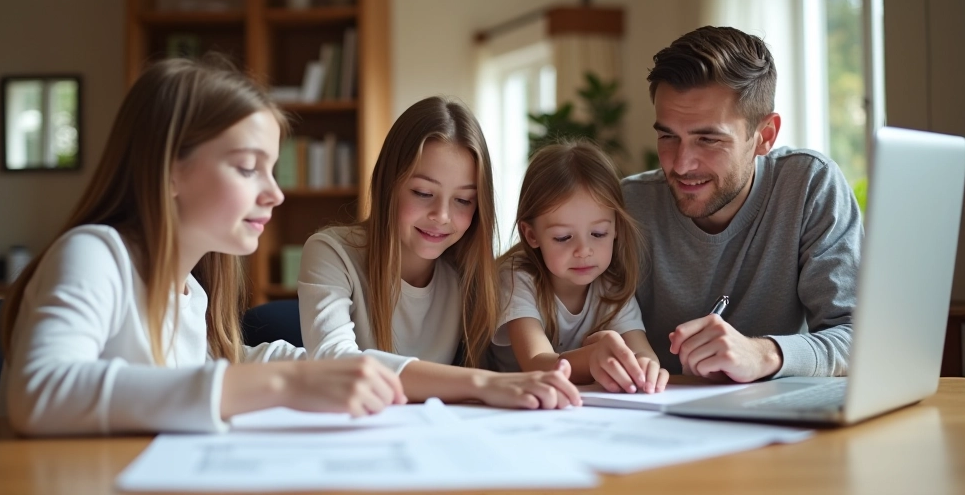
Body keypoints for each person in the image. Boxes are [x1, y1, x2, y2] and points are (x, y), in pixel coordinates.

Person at [0, 57, 405, 436]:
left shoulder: (192, 294)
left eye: (272, 170)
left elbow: (216, 369)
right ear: (169, 172)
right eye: (248, 167)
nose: (275, 194)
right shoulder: (93, 254)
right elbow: (40, 390)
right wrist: (284, 383)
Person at [299, 97, 581, 409]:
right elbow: (335, 363)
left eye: (463, 200)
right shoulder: (331, 252)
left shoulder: (468, 272)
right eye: (423, 193)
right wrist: (483, 383)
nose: (442, 215)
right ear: (387, 184)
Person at [621, 26, 861, 382]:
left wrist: (765, 354)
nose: (682, 164)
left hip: (777, 423)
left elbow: (857, 339)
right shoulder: (627, 205)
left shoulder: (808, 184)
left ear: (764, 136)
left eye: (708, 139)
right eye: (668, 136)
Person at [491, 140, 668, 394]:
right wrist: (593, 357)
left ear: (616, 227)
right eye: (563, 237)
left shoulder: (610, 286)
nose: (584, 250)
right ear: (531, 235)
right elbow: (536, 363)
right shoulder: (516, 278)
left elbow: (642, 352)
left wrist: (644, 369)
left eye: (598, 233)